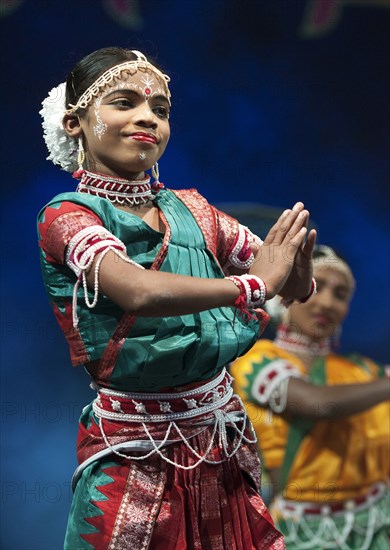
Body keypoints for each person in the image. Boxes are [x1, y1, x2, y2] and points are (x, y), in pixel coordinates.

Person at [37, 46, 317, 549]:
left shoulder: (195, 210)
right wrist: (255, 285)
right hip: (135, 448)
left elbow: (287, 285)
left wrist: (296, 264)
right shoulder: (66, 216)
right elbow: (136, 290)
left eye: (160, 110)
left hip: (220, 440)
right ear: (75, 122)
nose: (147, 117)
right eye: (123, 103)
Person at [230, 245, 390, 550]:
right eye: (317, 288)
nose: (328, 303)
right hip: (305, 533)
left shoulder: (363, 370)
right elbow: (318, 403)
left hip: (376, 524)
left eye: (340, 295)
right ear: (285, 295)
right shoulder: (257, 361)